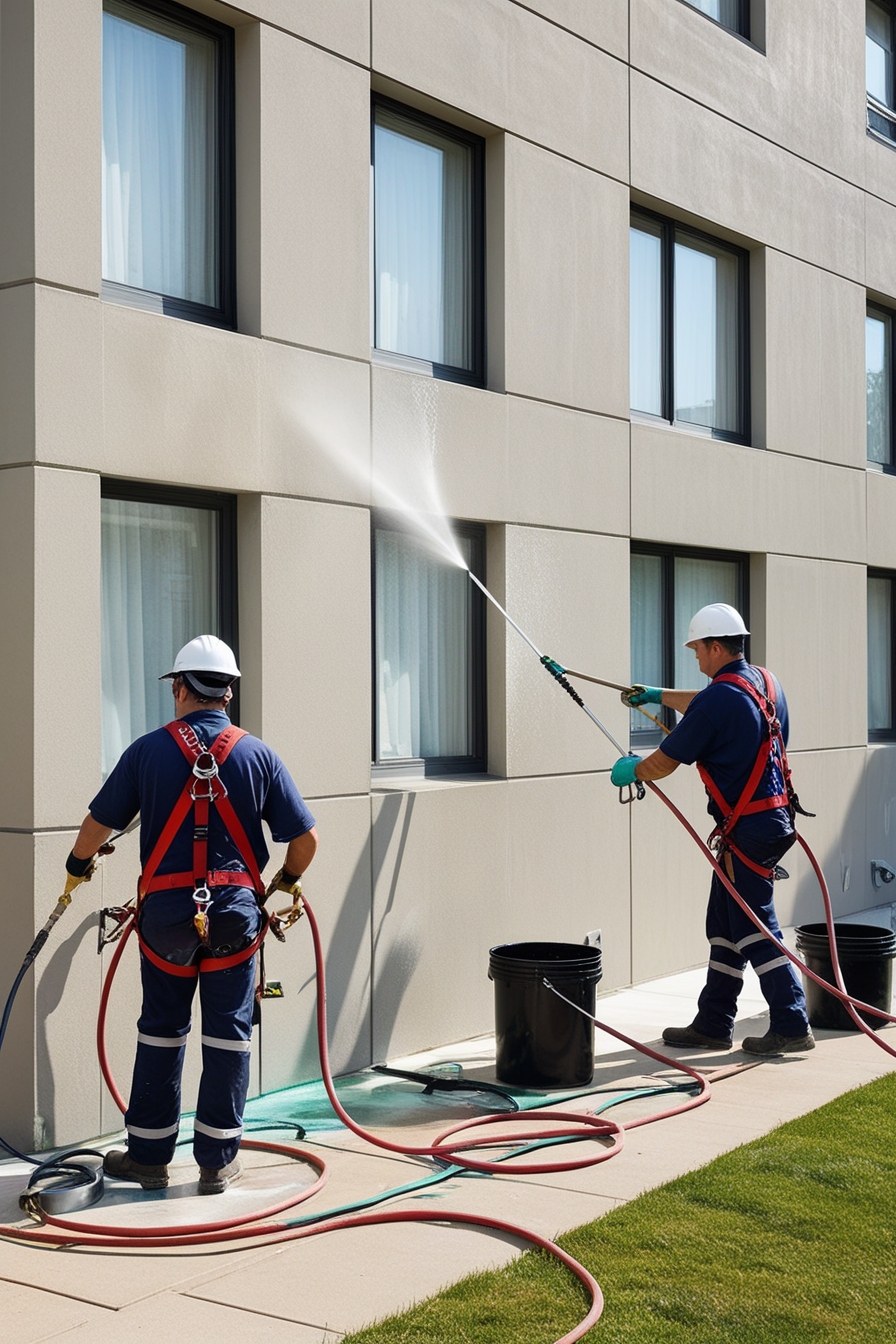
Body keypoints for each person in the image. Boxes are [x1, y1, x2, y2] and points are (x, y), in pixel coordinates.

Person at [64, 635, 318, 1193]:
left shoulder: (146, 752)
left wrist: (76, 867)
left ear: (180, 687)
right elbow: (304, 843)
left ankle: (149, 1158)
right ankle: (217, 1161)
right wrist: (285, 884)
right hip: (233, 918)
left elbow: (93, 829)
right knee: (228, 1034)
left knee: (161, 1030)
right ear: (227, 692)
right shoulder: (258, 754)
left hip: (167, 923)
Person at [610, 603, 814, 1057]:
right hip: (768, 820)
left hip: (750, 830)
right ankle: (714, 1023)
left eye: (698, 650)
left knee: (755, 927)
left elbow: (664, 761)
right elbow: (710, 704)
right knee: (724, 923)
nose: (696, 658)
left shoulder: (720, 698)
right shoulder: (764, 681)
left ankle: (792, 1021)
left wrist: (634, 770)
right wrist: (658, 695)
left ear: (717, 646)